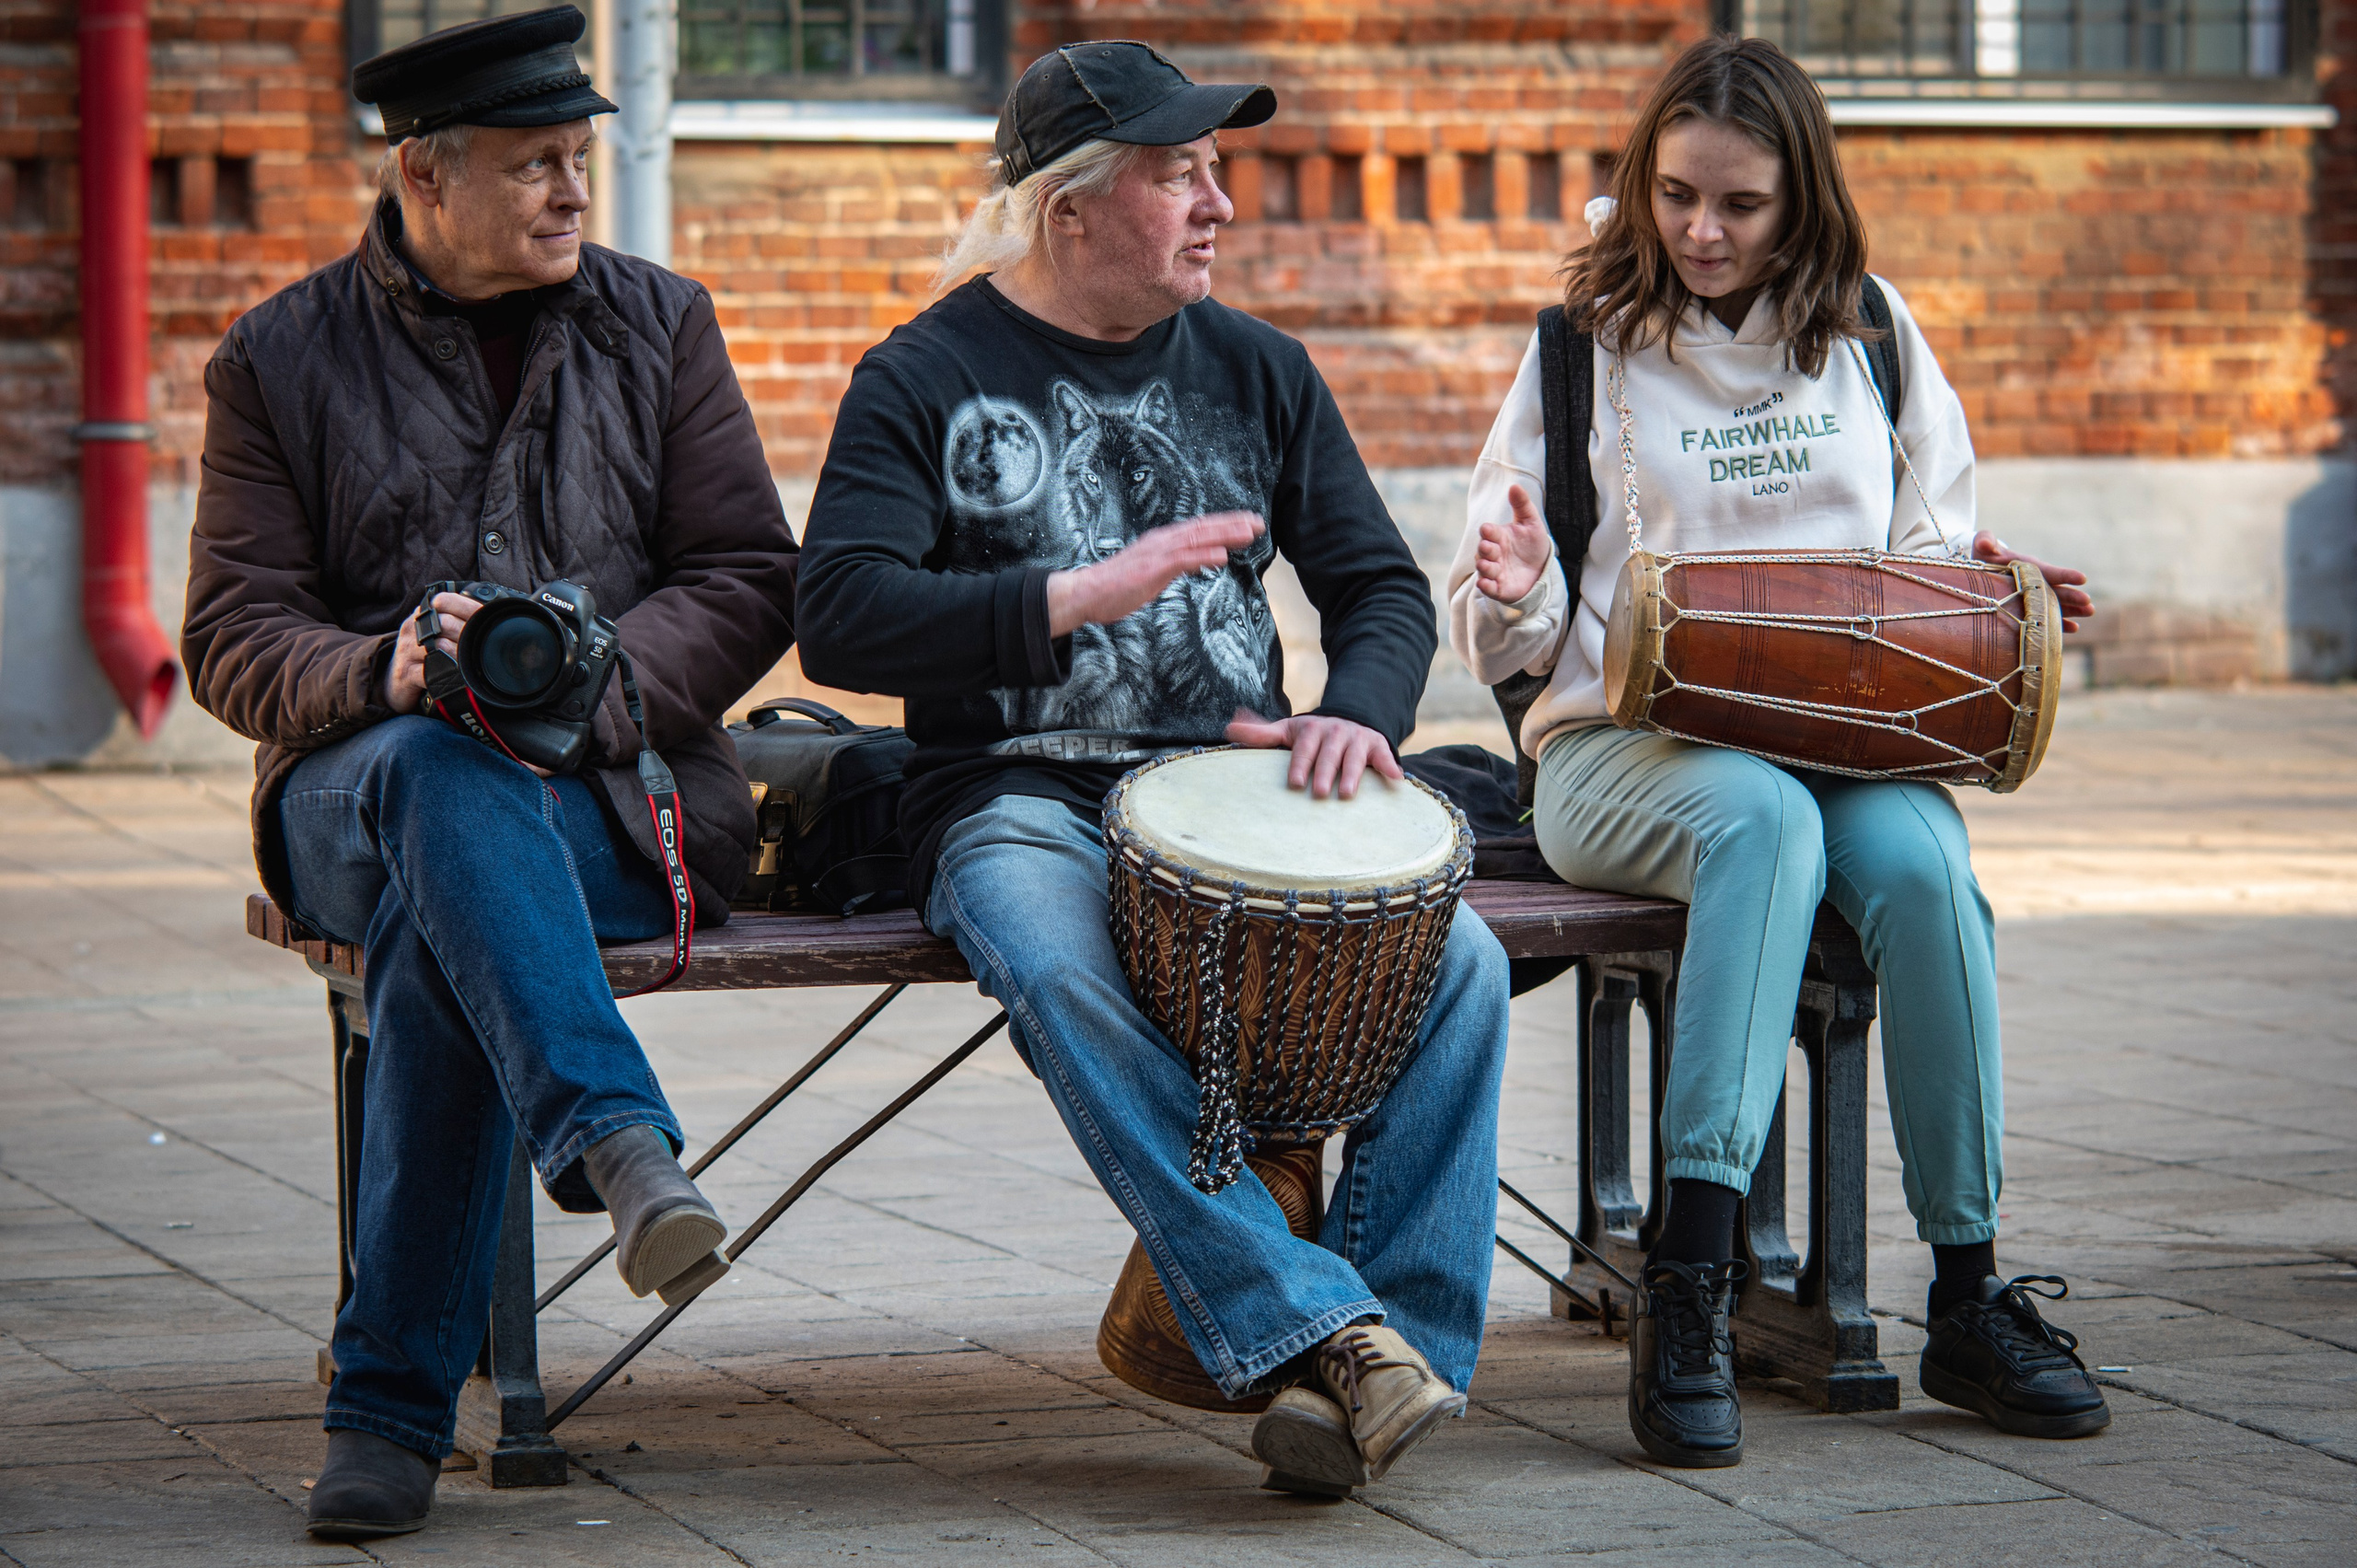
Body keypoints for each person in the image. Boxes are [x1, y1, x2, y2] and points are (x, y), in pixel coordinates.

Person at [797, 41, 1511, 1496]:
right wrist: (1068, 595)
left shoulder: (1260, 369)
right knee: (1059, 966)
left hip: (1233, 789)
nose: (1219, 205)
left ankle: (1396, 1355)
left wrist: (1356, 715)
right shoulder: (924, 374)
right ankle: (1326, 1332)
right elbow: (837, 615)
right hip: (1012, 790)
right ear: (1068, 213)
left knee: (1468, 970)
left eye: (1213, 170)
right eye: (1178, 174)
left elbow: (1377, 588)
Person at [1448, 35, 2112, 1469]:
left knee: (1929, 869)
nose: (1701, 230)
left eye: (1739, 205)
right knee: (1764, 827)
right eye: (1678, 194)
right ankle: (1690, 1288)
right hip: (1622, 757)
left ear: (1798, 201)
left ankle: (1968, 1291)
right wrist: (1508, 584)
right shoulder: (1583, 351)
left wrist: (1986, 597)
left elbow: (1925, 551)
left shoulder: (1869, 334)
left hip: (1839, 745)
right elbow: (1511, 628)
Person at [180, 6, 797, 1540]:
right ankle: (617, 1144)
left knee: (443, 914)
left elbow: (742, 577)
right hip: (351, 792)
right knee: (433, 777)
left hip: (615, 801)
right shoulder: (279, 356)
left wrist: (588, 691)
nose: (573, 196)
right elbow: (231, 633)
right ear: (424, 177)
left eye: (578, 161)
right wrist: (380, 671)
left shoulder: (659, 322)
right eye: (535, 166)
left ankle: (387, 1411)